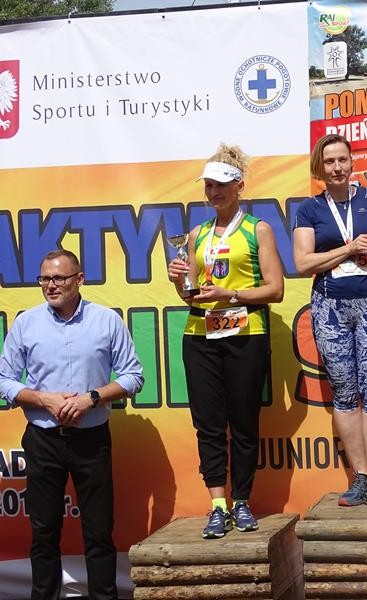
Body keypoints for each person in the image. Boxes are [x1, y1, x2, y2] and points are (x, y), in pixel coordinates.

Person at [0, 250, 144, 600]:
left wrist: (91, 398)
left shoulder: (106, 321)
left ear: (79, 280)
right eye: (44, 279)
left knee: (99, 533)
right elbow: (4, 380)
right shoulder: (26, 323)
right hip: (42, 440)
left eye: (59, 278)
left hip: (91, 440)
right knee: (44, 533)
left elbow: (133, 376)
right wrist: (43, 399)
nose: (50, 285)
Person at [167, 143, 284, 539]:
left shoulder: (257, 229)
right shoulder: (197, 234)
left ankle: (242, 501)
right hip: (200, 335)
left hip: (245, 333)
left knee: (244, 422)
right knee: (209, 424)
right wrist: (179, 282)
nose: (213, 192)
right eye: (208, 186)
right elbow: (192, 295)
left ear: (239, 187)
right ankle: (218, 505)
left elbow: (276, 289)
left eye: (220, 185)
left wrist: (230, 294)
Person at [293, 134, 367, 511]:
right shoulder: (309, 209)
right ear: (319, 167)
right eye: (329, 162)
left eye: (342, 160)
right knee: (343, 392)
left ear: (352, 162)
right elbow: (303, 263)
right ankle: (358, 478)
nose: (337, 167)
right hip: (330, 307)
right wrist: (349, 248)